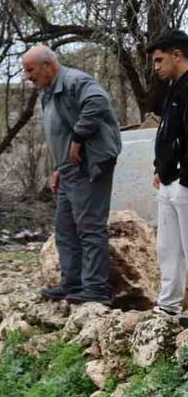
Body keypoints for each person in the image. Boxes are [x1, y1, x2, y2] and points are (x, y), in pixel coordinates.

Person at [23, 45, 123, 305]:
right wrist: (58, 167)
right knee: (65, 229)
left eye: (30, 70)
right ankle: (73, 283)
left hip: (88, 166)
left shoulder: (75, 81)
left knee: (90, 228)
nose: (27, 76)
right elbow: (60, 132)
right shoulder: (48, 91)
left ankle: (96, 289)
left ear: (48, 65)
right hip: (68, 171)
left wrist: (79, 138)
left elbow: (97, 102)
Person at [149, 30, 188, 317]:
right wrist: (159, 168)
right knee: (168, 250)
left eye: (160, 60)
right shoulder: (174, 87)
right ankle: (168, 307)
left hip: (183, 182)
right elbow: (168, 133)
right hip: (169, 180)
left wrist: (184, 177)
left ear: (178, 55)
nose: (156, 67)